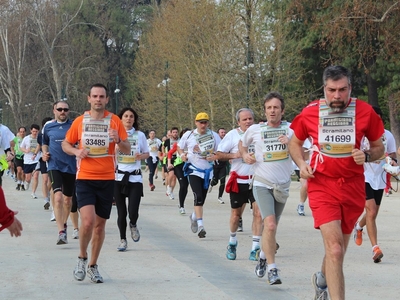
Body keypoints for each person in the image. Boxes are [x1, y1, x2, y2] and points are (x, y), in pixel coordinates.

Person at [289, 66, 385, 300]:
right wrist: (302, 165)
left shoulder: (365, 111)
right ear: (325, 89)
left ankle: (321, 280)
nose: (337, 95)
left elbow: (379, 147)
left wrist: (368, 156)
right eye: (332, 90)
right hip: (322, 185)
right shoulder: (311, 111)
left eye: (342, 89)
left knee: (338, 250)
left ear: (350, 88)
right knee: (334, 249)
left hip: (352, 186)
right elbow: (294, 143)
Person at [62, 83, 130, 283]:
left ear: (107, 99)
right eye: (95, 96)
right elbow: (66, 144)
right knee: (88, 221)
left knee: (100, 226)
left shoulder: (115, 120)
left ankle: (93, 265)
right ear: (89, 98)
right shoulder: (80, 121)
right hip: (85, 178)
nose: (98, 99)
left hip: (107, 179)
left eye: (102, 96)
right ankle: (81, 258)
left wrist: (118, 139)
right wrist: (76, 151)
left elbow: (126, 149)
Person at [240, 92, 293, 285]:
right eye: (269, 107)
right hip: (262, 182)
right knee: (269, 224)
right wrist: (245, 155)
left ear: (282, 110)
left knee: (272, 228)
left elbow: (303, 151)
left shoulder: (290, 130)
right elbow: (242, 144)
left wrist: (291, 144)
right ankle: (272, 269)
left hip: (282, 186)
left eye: (276, 107)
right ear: (265, 110)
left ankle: (263, 256)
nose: (272, 111)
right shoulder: (255, 129)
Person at [216, 108, 263, 261]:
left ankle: (255, 247)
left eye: (250, 119)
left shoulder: (259, 132)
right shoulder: (232, 135)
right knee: (236, 215)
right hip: (239, 180)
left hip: (257, 180)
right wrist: (236, 154)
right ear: (238, 122)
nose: (248, 122)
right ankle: (232, 241)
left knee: (258, 214)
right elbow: (219, 154)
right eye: (245, 120)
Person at [353, 106, 397, 263]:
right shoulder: (361, 135)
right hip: (364, 176)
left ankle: (358, 226)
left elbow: (392, 154)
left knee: (373, 213)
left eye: (377, 119)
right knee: (371, 211)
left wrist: (393, 161)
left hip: (380, 178)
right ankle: (375, 249)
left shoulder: (388, 136)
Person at [178, 112, 221, 238]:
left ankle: (194, 216)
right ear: (196, 122)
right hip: (194, 170)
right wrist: (182, 155)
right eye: (200, 122)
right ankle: (201, 226)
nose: (203, 124)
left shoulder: (214, 136)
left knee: (202, 198)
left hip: (207, 171)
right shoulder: (189, 134)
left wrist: (214, 156)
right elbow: (179, 147)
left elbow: (220, 151)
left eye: (205, 122)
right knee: (198, 197)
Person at [43, 101, 78, 244]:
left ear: (69, 111)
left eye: (65, 109)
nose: (62, 112)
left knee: (67, 200)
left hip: (70, 166)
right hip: (54, 165)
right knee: (57, 197)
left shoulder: (74, 125)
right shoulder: (48, 127)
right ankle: (61, 232)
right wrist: (45, 153)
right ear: (54, 110)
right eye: (60, 109)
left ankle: (64, 224)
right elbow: (45, 142)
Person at [114, 107, 149, 252]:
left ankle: (133, 224)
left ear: (134, 120)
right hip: (118, 176)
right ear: (121, 118)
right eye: (126, 116)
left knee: (133, 210)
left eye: (131, 117)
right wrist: (115, 149)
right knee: (121, 212)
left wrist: (142, 156)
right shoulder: (115, 134)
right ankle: (123, 239)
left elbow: (147, 153)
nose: (129, 119)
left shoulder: (140, 135)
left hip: (134, 177)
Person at [167, 128, 191, 214]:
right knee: (183, 185)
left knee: (186, 186)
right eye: (184, 135)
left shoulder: (194, 144)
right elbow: (170, 153)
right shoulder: (178, 144)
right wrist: (169, 163)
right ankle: (181, 206)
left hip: (190, 165)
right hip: (179, 165)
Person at [19, 124, 41, 194]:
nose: (35, 133)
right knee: (28, 178)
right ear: (31, 130)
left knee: (36, 176)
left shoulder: (40, 138)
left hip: (37, 159)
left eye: (36, 131)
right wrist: (26, 150)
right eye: (33, 131)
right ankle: (27, 182)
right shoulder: (26, 138)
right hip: (28, 160)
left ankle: (33, 192)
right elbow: (21, 147)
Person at [37, 117, 53, 208]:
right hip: (44, 158)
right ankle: (46, 199)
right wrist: (36, 154)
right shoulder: (40, 135)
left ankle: (49, 193)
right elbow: (41, 145)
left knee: (51, 180)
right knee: (45, 179)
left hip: (53, 158)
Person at [209, 128, 228, 204]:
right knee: (215, 181)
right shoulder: (214, 141)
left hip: (223, 164)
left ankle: (220, 197)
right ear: (218, 134)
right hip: (215, 164)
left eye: (224, 132)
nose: (223, 133)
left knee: (223, 180)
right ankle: (211, 183)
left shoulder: (227, 141)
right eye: (222, 132)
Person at [162, 127, 179, 199]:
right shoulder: (168, 141)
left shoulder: (180, 140)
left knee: (175, 178)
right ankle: (168, 188)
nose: (175, 133)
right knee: (171, 174)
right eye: (173, 132)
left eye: (176, 132)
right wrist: (164, 153)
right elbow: (163, 146)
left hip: (178, 159)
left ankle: (171, 191)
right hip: (169, 159)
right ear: (171, 133)